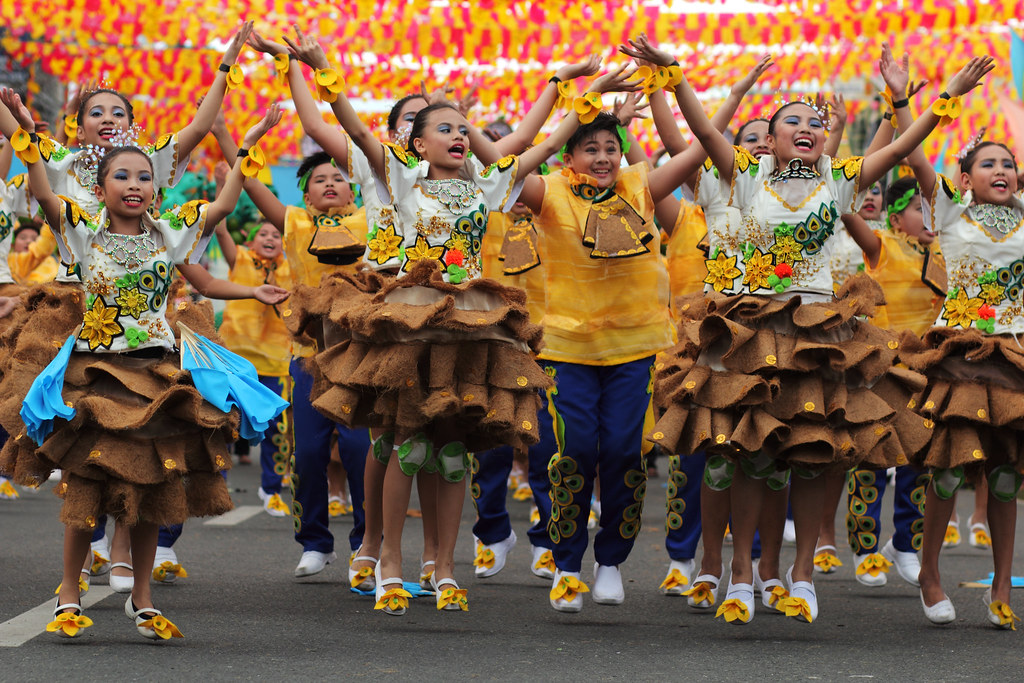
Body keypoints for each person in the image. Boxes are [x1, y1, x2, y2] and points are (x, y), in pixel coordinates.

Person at [628, 31, 993, 624]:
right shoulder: (742, 176)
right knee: (749, 454)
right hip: (754, 332)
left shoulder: (838, 181)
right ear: (768, 140)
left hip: (821, 337)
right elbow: (699, 131)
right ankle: (740, 576)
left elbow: (901, 149)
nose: (804, 127)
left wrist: (936, 97)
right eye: (790, 122)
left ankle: (801, 576)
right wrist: (674, 74)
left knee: (817, 456)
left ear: (824, 139)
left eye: (813, 123)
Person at [0, 97, 284, 639]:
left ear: (156, 187)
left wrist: (246, 143)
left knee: (154, 483)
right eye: (122, 176)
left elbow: (223, 204)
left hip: (155, 371)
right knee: (87, 478)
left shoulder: (168, 233)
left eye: (144, 177)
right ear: (101, 187)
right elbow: (40, 190)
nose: (135, 184)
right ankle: (68, 590)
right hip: (95, 370)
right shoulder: (82, 230)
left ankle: (142, 597)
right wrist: (25, 133)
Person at [897, 130, 1024, 627]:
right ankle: (929, 574)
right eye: (988, 164)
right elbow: (914, 154)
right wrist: (908, 99)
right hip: (963, 355)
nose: (1001, 170)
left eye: (1008, 164)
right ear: (965, 180)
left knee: (1007, 474)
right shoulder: (950, 211)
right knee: (948, 471)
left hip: (1014, 354)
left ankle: (1000, 586)